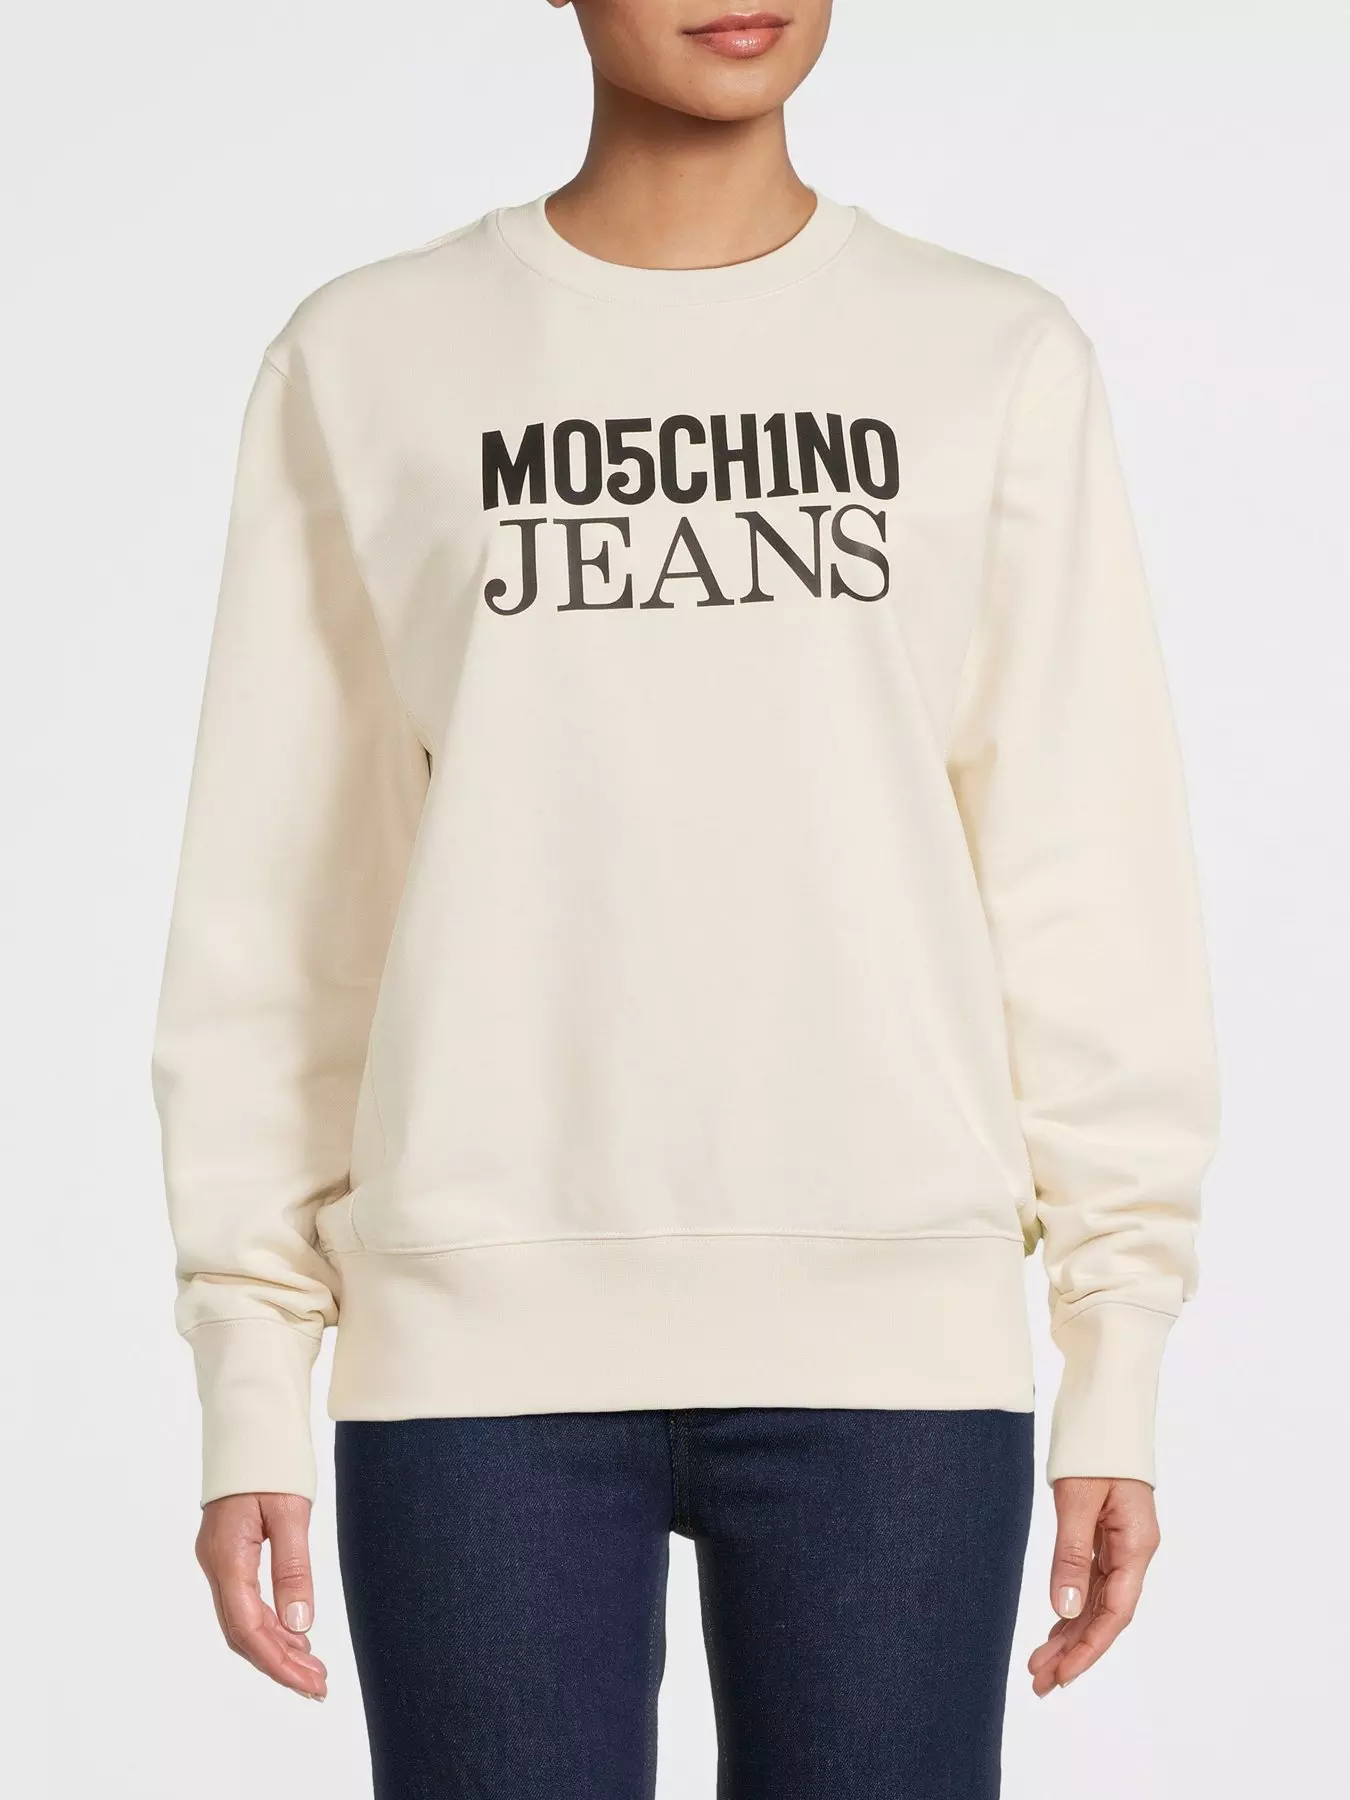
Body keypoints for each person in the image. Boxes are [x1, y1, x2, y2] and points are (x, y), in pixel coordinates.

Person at [152, 3, 1220, 1795]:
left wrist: (1115, 1346)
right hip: (473, 1351)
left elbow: (1082, 871)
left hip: (893, 1348)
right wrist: (251, 1365)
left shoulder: (989, 355)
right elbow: (282, 901)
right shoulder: (369, 358)